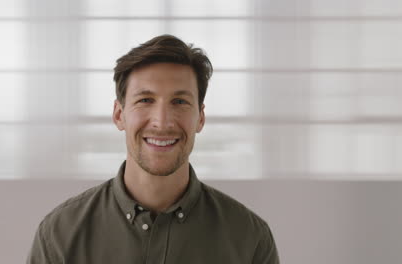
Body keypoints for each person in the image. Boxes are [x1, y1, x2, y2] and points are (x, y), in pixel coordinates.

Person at [27, 34, 280, 264]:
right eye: (145, 100)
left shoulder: (250, 240)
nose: (162, 121)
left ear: (200, 118)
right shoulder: (59, 235)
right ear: (118, 114)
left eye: (179, 101)